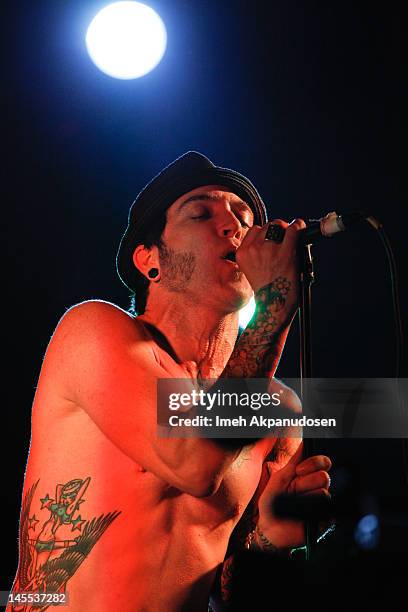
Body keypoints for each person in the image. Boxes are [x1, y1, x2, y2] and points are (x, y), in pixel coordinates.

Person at [8, 152, 331, 612]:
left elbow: (229, 588)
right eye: (201, 213)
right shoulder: (94, 333)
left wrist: (274, 539)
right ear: (149, 260)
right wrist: (275, 307)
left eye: (244, 218)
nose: (233, 227)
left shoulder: (277, 411)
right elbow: (195, 462)